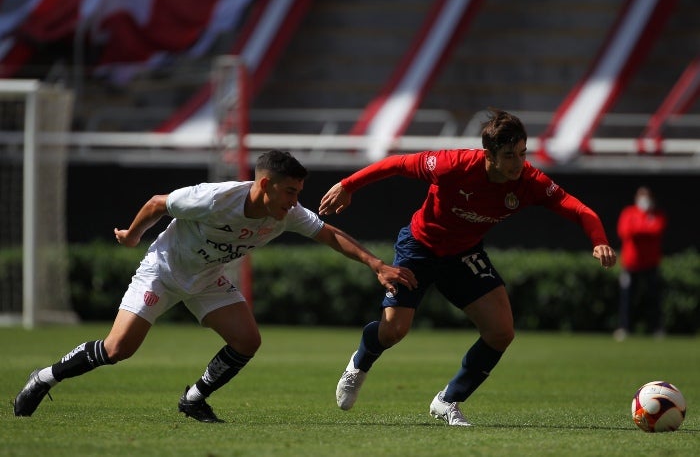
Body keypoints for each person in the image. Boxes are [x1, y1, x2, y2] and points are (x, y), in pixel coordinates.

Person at [14, 150, 417, 422]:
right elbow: (158, 202)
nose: (296, 201)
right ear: (264, 185)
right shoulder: (214, 199)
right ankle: (45, 377)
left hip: (208, 279)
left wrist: (376, 264)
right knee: (118, 349)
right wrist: (134, 237)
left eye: (299, 193)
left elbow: (329, 234)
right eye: (290, 191)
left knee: (248, 341)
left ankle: (193, 399)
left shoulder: (286, 213)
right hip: (164, 271)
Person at [319, 108, 617, 426]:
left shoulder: (529, 181)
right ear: (488, 154)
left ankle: (448, 400)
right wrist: (348, 185)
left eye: (522, 153)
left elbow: (579, 209)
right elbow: (397, 164)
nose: (519, 163)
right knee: (393, 331)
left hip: (463, 255)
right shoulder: (454, 164)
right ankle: (359, 363)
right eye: (509, 155)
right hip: (419, 248)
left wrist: (598, 239)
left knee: (501, 332)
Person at [613, 186, 668, 341]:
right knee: (627, 298)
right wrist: (644, 229)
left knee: (653, 298)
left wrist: (639, 230)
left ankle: (656, 329)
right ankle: (624, 328)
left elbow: (656, 230)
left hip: (651, 263)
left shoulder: (657, 215)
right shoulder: (629, 213)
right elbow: (625, 231)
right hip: (631, 263)